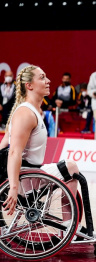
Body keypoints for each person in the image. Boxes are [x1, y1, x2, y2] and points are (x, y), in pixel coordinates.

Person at [0, 65, 81, 224]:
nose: (48, 80)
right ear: (29, 86)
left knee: (74, 174)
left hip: (31, 173)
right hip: (27, 178)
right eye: (42, 77)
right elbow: (13, 152)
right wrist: (13, 188)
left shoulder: (31, 110)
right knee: (71, 167)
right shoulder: (25, 113)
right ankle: (69, 225)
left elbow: (3, 146)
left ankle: (71, 224)